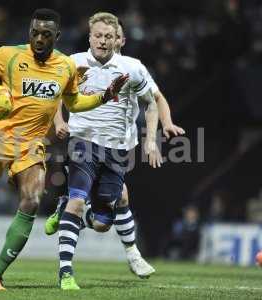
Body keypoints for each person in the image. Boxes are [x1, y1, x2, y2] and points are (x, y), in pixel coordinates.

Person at [0, 8, 128, 291]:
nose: (39, 39)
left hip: (31, 147)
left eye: (46, 34)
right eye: (35, 33)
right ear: (29, 33)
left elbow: (74, 103)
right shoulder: (8, 55)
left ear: (56, 36)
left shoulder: (66, 67)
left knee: (31, 201)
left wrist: (104, 96)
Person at [45, 13, 184, 290]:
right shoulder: (73, 63)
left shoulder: (132, 68)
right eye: (99, 35)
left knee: (102, 222)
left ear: (117, 39)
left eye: (109, 36)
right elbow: (55, 97)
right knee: (77, 199)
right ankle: (66, 273)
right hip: (83, 142)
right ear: (90, 37)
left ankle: (68, 212)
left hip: (118, 149)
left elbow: (152, 101)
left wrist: (151, 140)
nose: (104, 41)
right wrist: (60, 122)